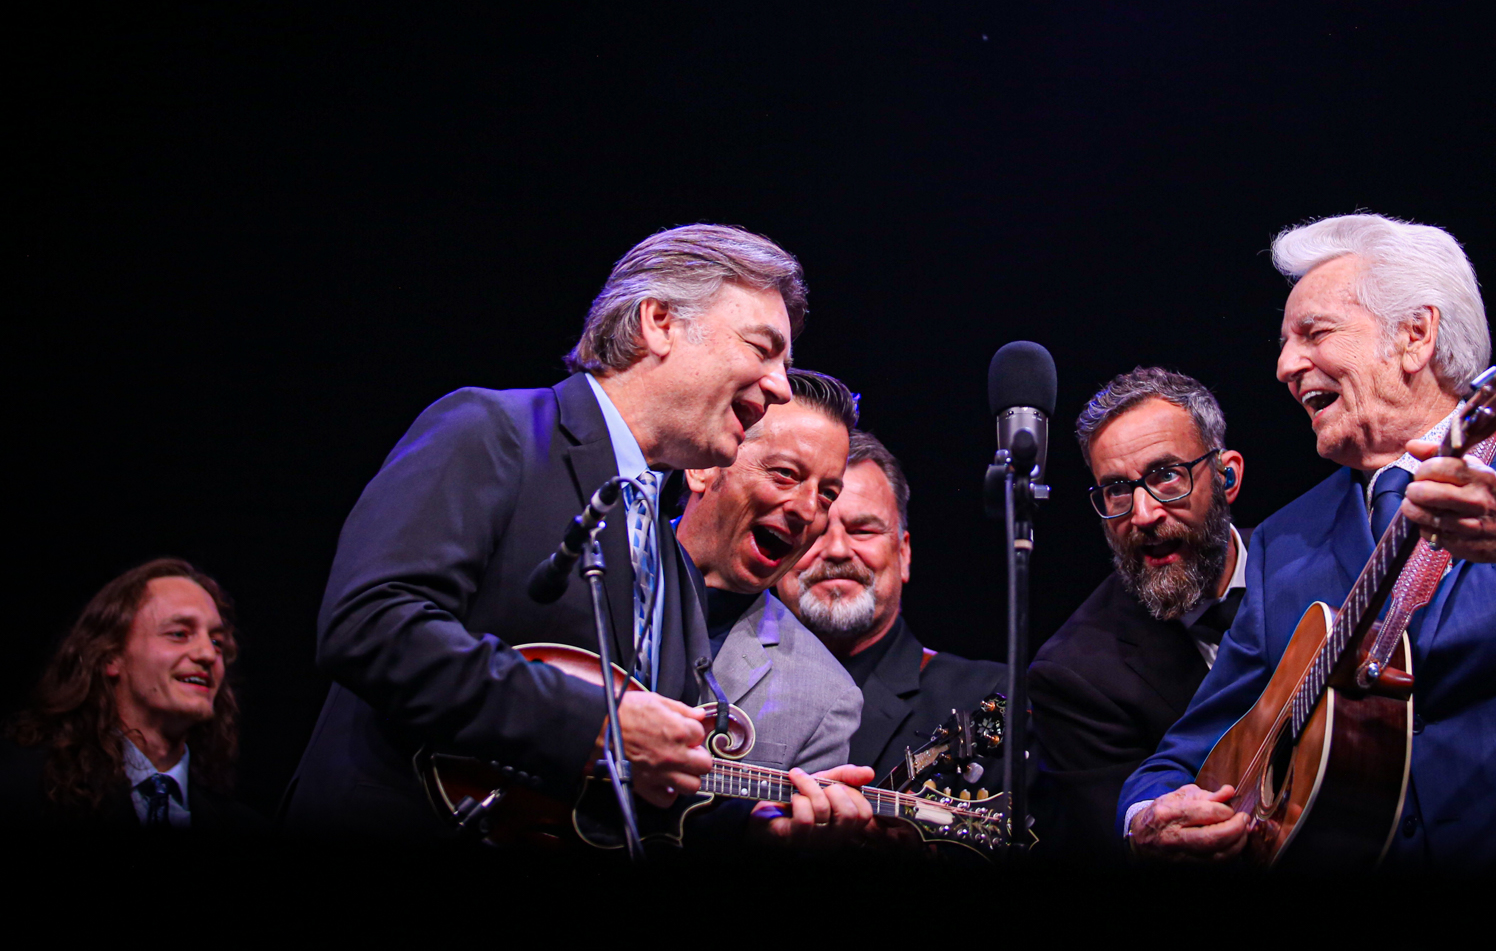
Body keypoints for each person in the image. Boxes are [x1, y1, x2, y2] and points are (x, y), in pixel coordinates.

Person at [1121, 212, 1496, 877]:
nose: (1285, 365)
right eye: (1285, 342)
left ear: (1416, 334)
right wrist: (1145, 812)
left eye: (1314, 333)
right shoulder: (1285, 540)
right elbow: (1184, 754)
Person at [287, 224, 831, 841]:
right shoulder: (495, 432)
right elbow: (368, 625)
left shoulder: (670, 559)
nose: (782, 386)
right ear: (659, 322)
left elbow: (643, 786)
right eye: (763, 348)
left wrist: (765, 826)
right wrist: (598, 723)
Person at [1027, 368, 1248, 859]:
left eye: (1166, 475)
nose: (1142, 514)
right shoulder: (1072, 673)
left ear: (1227, 476)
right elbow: (1114, 841)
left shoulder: (1306, 564)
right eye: (1118, 490)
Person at [674, 369, 869, 804]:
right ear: (703, 466)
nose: (807, 510)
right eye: (784, 473)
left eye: (827, 495)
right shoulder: (586, 571)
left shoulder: (828, 698)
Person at [776, 430, 1005, 784]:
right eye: (814, 529)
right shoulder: (721, 686)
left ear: (903, 553)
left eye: (863, 530)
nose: (837, 549)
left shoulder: (985, 698)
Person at [4, 558, 265, 834]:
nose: (207, 654)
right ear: (110, 655)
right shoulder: (22, 790)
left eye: (216, 641)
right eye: (179, 633)